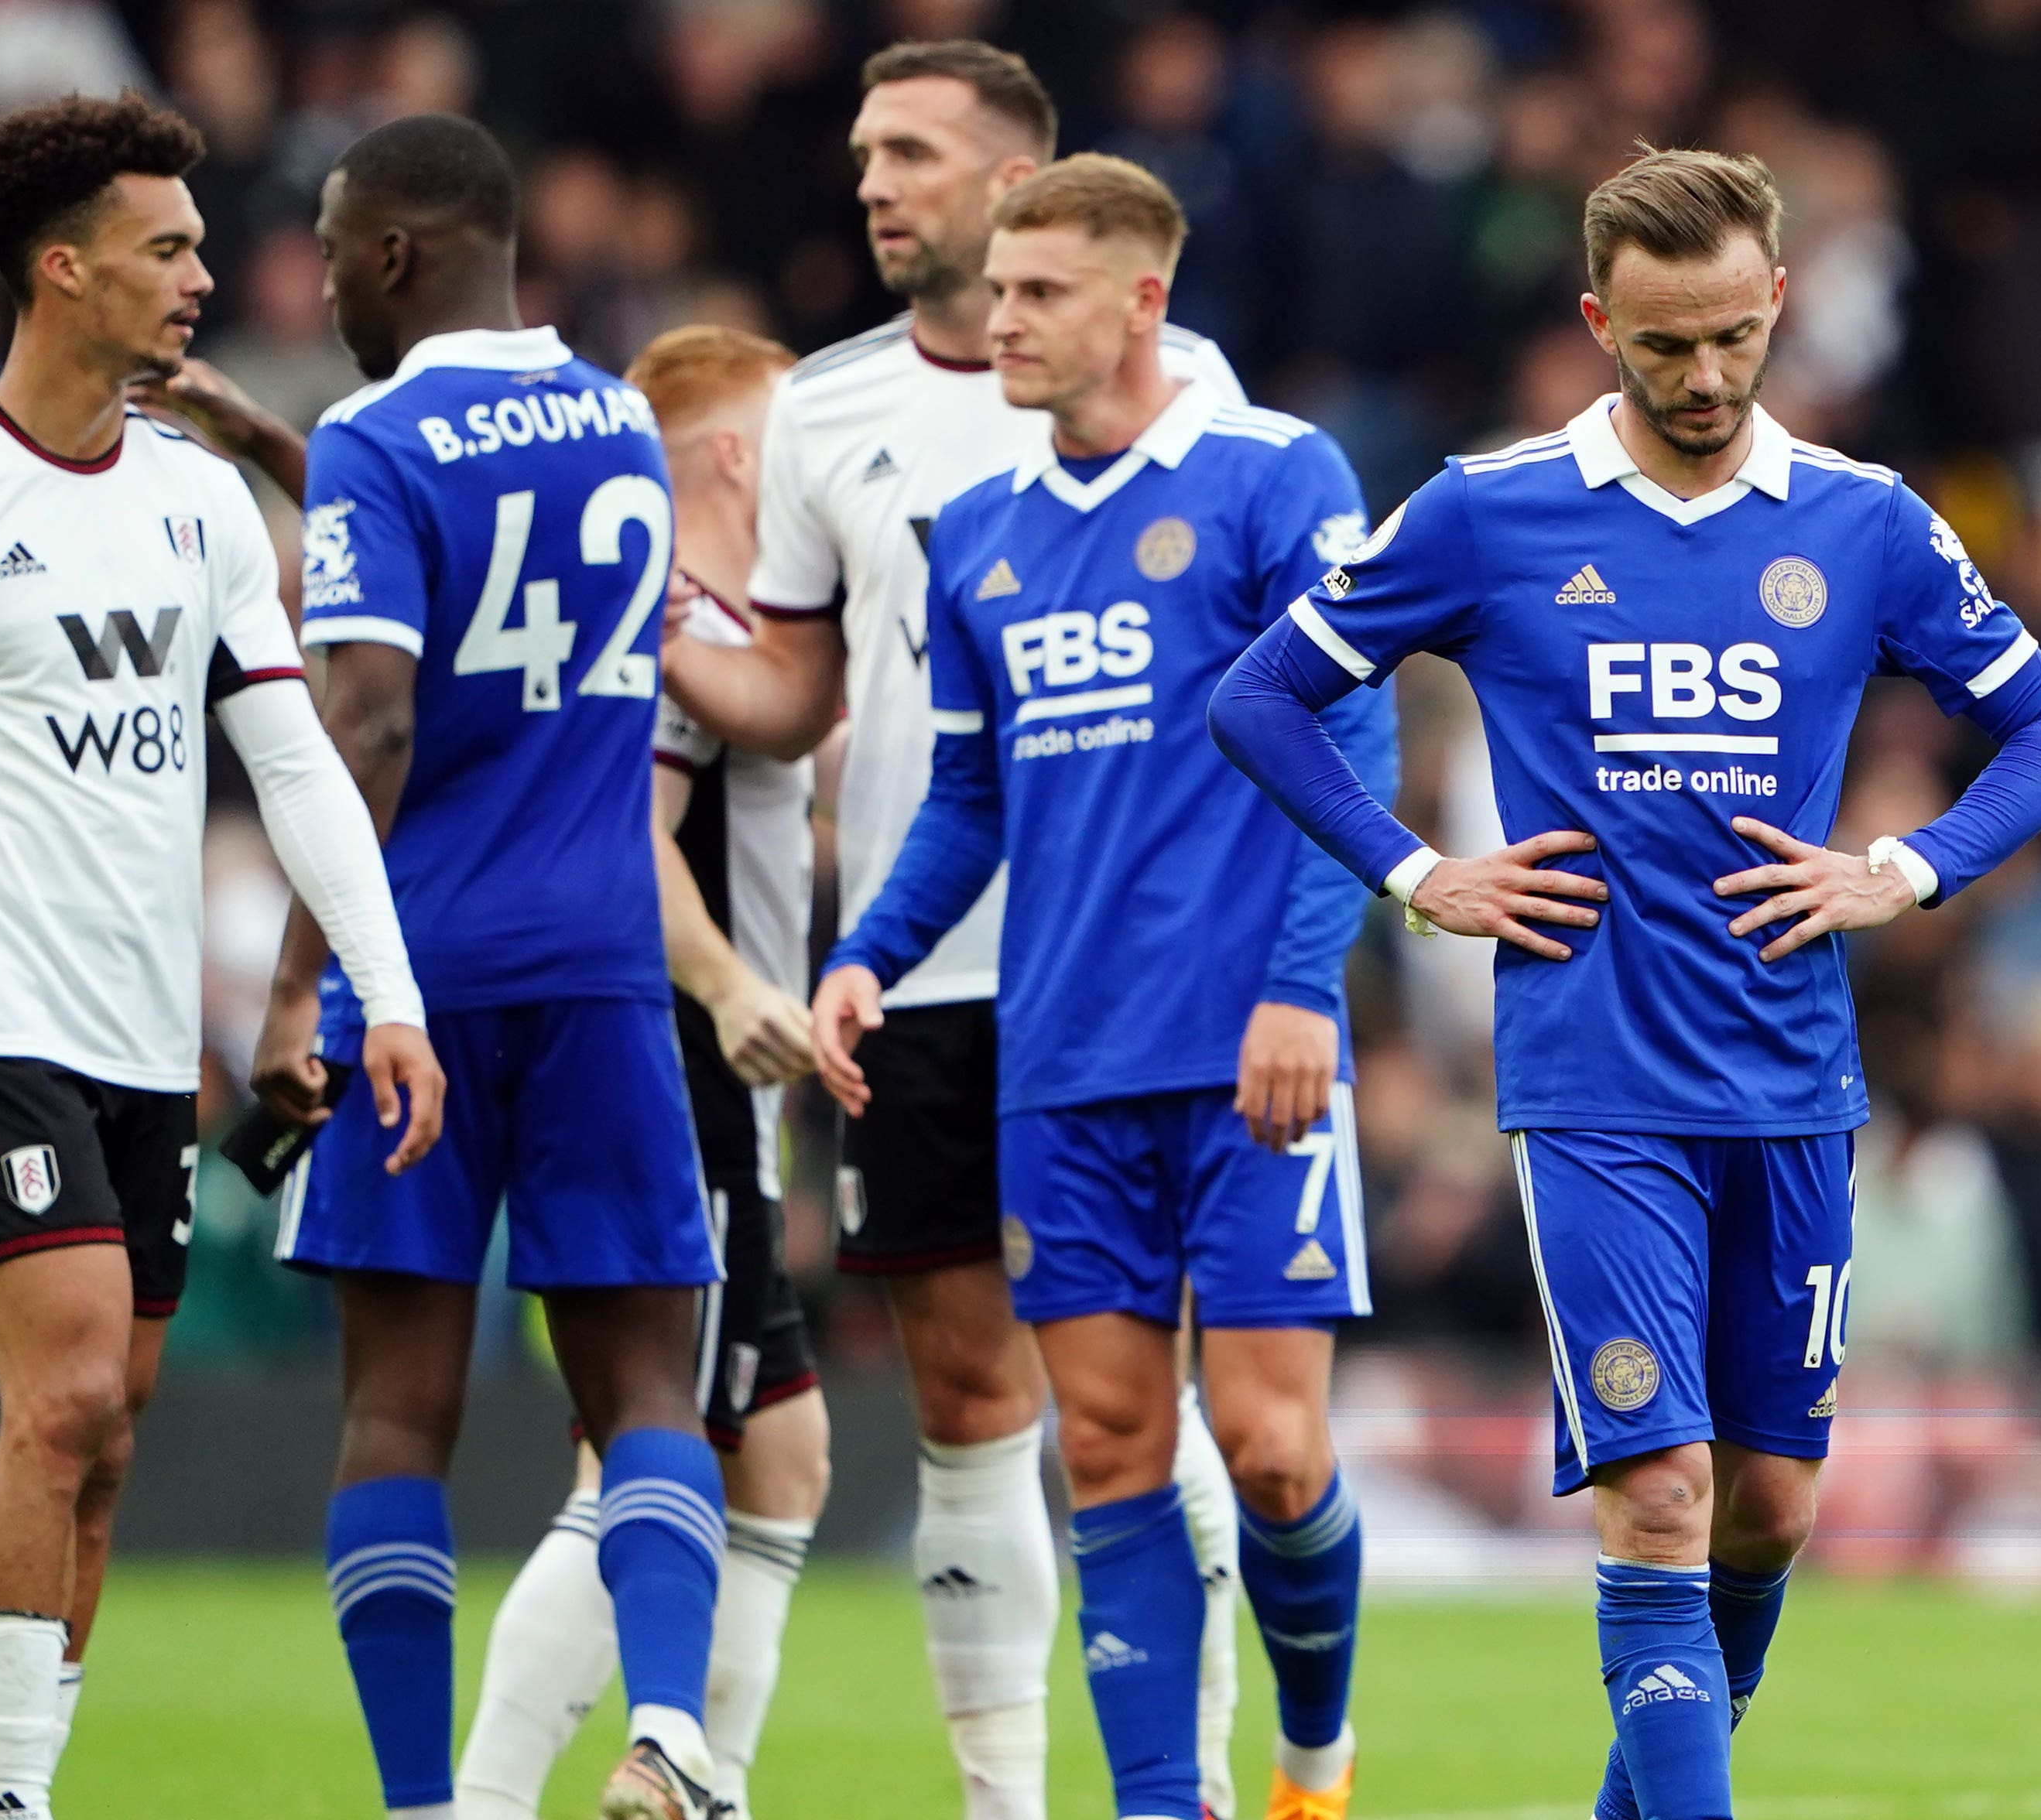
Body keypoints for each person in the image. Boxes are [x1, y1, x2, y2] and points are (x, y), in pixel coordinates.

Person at [1208, 146, 2041, 1820]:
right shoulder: (1488, 510)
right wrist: (1417, 875)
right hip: (1594, 1076)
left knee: (1770, 1507)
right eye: (1662, 345)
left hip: (1795, 1077)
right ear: (1598, 320)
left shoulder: (1864, 520)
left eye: (1732, 341)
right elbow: (1262, 699)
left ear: (1777, 305)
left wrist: (1898, 870)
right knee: (1666, 1499)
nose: (1701, 381)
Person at [657, 40, 1250, 1820]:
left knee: (1139, 1390)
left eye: (909, 150)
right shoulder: (820, 409)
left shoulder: (1193, 388)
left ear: (1013, 182)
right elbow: (789, 695)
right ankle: (1007, 1801)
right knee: (964, 1392)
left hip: (1129, 962)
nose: (871, 181)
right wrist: (633, 625)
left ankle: (1197, 1782)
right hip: (916, 968)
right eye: (862, 150)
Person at [0, 93, 440, 1820]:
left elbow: (296, 755)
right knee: (72, 1391)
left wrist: (380, 993)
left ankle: (15, 1775)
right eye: (167, 246)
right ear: (64, 267)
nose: (201, 275)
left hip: (140, 1039)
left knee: (108, 1435)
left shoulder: (190, 503)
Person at [812, 154, 1395, 1820]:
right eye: (998, 289)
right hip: (1059, 1062)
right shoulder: (982, 534)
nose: (1003, 320)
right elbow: (974, 798)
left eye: (1042, 292)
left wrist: (1302, 987)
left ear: (1144, 300)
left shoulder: (1274, 475)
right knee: (1116, 1454)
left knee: (1275, 1452)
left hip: (1248, 1052)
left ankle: (1312, 1757)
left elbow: (1348, 733)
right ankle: (1162, 1804)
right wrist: (867, 955)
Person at [251, 114, 725, 1820]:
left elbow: (370, 710)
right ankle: (670, 1728)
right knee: (644, 1383)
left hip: (421, 979)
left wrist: (294, 985)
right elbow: (492, 551)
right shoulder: (625, 422)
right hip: (603, 964)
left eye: (326, 246)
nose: (316, 279)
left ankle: (419, 1804)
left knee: (400, 1409)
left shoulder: (376, 429)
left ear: (391, 252)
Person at [450, 326, 828, 1820]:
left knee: (782, 1452)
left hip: (686, 1057)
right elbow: (636, 829)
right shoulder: (675, 614)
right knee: (643, 1450)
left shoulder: (685, 611)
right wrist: (733, 984)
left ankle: (706, 1778)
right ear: (739, 454)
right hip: (683, 1056)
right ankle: (505, 1795)